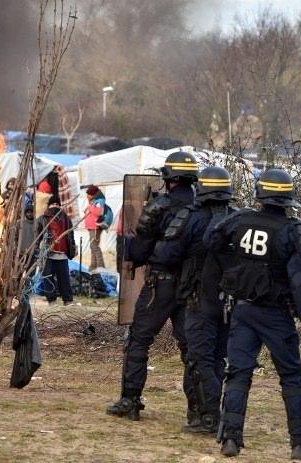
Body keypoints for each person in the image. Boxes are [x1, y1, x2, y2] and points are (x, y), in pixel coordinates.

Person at [206, 168, 301, 460]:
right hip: (275, 314)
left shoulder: (241, 220)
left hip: (243, 310)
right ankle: (300, 445)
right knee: (292, 377)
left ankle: (230, 438)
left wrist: (234, 270)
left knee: (238, 374)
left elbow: (212, 240)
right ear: (288, 198)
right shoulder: (293, 230)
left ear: (260, 194)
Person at [106, 150, 198, 423]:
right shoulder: (203, 208)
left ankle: (130, 400)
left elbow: (138, 251)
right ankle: (198, 410)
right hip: (192, 288)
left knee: (138, 340)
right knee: (192, 349)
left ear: (171, 179)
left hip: (161, 285)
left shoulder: (160, 207)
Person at [153, 166, 238, 434]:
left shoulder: (190, 217)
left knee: (198, 359)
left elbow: (166, 255)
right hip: (229, 303)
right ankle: (205, 412)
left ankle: (207, 416)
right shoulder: (239, 218)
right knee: (217, 359)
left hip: (199, 299)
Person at [36, 203, 77, 306]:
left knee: (64, 278)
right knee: (47, 278)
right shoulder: (43, 218)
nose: (55, 206)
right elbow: (37, 236)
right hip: (48, 254)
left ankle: (67, 300)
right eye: (53, 204)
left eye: (57, 204)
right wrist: (38, 249)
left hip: (62, 255)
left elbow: (70, 236)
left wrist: (72, 248)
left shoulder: (66, 219)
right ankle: (51, 300)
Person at [84, 184, 106, 270]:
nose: (87, 196)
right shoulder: (94, 202)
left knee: (94, 246)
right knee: (93, 246)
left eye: (88, 194)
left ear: (92, 195)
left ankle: (101, 266)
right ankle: (93, 266)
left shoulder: (99, 202)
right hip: (92, 227)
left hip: (95, 227)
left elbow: (99, 212)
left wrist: (90, 208)